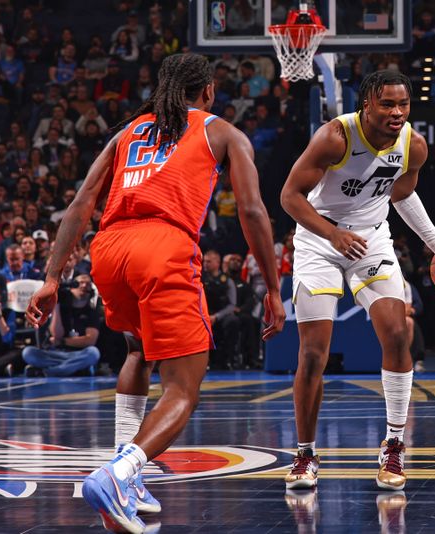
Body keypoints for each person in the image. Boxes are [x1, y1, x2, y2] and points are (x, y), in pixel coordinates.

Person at [25, 53, 284, 534]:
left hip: (110, 247)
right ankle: (118, 473)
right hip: (161, 246)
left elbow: (82, 203)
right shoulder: (222, 131)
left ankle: (129, 477)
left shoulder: (127, 132)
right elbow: (251, 210)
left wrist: (53, 277)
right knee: (184, 388)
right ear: (207, 91)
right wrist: (271, 285)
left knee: (138, 351)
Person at [280, 70, 435, 491]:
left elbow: (403, 195)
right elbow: (289, 197)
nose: (397, 112)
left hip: (372, 240)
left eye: (403, 104)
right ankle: (305, 454)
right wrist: (332, 233)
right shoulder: (335, 137)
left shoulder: (414, 145)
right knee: (314, 353)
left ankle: (393, 446)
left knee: (396, 334)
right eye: (388, 104)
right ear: (367, 105)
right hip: (320, 240)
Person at [22, 272, 100, 377]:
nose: (84, 286)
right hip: (56, 353)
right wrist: (57, 303)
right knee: (28, 352)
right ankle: (75, 369)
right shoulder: (62, 307)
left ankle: (47, 372)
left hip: (78, 353)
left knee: (93, 353)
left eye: (88, 284)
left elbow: (90, 341)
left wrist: (62, 341)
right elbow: (56, 334)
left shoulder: (91, 311)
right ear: (72, 287)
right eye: (80, 283)